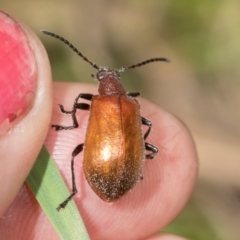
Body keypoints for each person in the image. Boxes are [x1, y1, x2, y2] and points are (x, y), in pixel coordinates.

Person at [0, 10, 198, 240]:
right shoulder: (132, 104)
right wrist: (141, 146)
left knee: (75, 153)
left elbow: (81, 105)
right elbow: (147, 125)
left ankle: (74, 190)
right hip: (123, 171)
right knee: (147, 125)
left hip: (111, 170)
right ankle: (85, 183)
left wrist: (70, 121)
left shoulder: (100, 103)